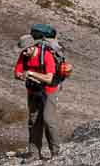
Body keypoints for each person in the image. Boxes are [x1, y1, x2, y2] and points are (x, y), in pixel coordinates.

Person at [13, 31, 63, 159]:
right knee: (34, 121)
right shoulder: (24, 56)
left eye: (25, 50)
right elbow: (16, 73)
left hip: (49, 90)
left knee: (48, 119)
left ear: (31, 47)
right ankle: (34, 154)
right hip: (33, 91)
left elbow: (49, 79)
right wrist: (21, 76)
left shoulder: (46, 56)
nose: (23, 53)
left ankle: (56, 152)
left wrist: (31, 74)